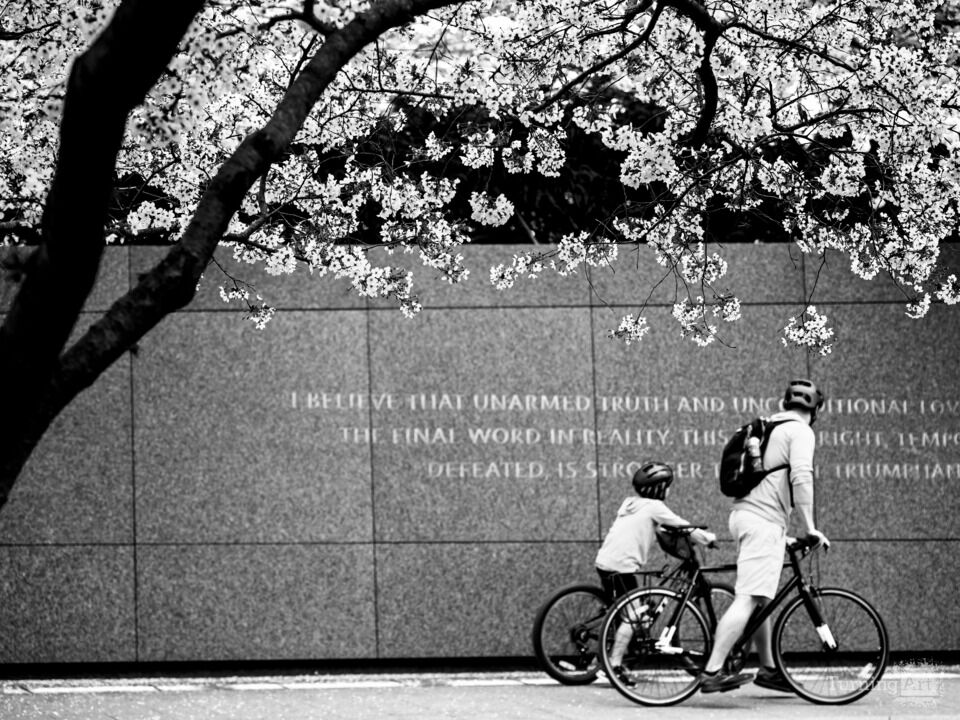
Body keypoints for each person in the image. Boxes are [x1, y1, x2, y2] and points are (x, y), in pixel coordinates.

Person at [699, 378, 831, 694]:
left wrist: (782, 533)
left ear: (785, 403)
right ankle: (713, 671)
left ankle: (770, 669)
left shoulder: (768, 426)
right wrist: (810, 526)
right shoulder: (800, 431)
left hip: (747, 517)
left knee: (760, 598)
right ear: (814, 411)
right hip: (762, 522)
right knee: (747, 597)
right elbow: (801, 476)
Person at [595, 461, 716, 682]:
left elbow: (660, 528)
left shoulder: (631, 503)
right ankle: (614, 666)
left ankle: (609, 652)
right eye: (668, 486)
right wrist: (706, 538)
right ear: (659, 489)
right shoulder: (654, 507)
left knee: (630, 610)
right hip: (622, 567)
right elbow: (682, 525)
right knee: (634, 617)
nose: (669, 490)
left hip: (606, 562)